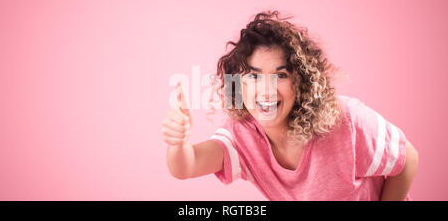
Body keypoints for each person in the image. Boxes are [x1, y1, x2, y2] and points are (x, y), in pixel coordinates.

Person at [161, 11, 418, 201]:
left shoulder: (346, 121)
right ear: (238, 85)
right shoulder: (243, 137)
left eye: (281, 75)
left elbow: (408, 159)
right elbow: (188, 165)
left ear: (301, 83)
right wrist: (179, 142)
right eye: (254, 76)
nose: (267, 91)